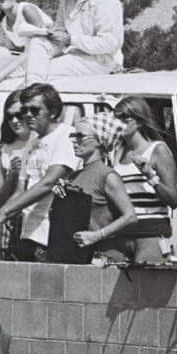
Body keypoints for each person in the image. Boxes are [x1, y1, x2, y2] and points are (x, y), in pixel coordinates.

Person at [0, 83, 79, 261]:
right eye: (25, 110)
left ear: (52, 112)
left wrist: (3, 213)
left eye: (35, 110)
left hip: (55, 235)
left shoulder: (67, 136)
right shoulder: (32, 144)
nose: (28, 115)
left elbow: (47, 183)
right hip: (30, 233)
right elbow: (20, 191)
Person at [45, 112, 137, 263]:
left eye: (81, 136)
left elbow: (130, 217)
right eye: (73, 136)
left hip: (103, 258)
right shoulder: (73, 176)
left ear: (99, 141)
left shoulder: (107, 176)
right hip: (77, 257)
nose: (75, 141)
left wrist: (96, 235)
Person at [24, 0, 124, 83]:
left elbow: (110, 43)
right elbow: (61, 26)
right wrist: (52, 32)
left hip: (99, 60)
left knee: (47, 72)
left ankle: (33, 95)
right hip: (73, 54)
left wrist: (71, 40)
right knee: (37, 42)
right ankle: (32, 92)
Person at [110, 96, 177, 262]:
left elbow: (173, 200)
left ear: (139, 122)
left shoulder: (158, 150)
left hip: (151, 232)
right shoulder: (116, 153)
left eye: (124, 119)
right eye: (115, 119)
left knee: (150, 284)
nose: (118, 124)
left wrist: (150, 176)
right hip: (123, 232)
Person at [0, 90, 36, 258]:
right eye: (10, 116)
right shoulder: (5, 146)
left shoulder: (40, 141)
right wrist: (12, 176)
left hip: (33, 219)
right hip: (10, 220)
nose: (14, 121)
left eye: (19, 115)